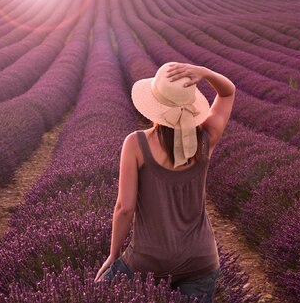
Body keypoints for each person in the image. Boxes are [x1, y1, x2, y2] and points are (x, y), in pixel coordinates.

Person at [94, 61, 236, 303]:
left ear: (155, 105)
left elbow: (124, 208)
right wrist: (206, 73)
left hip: (148, 259)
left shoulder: (135, 144)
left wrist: (113, 254)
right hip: (200, 259)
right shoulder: (206, 137)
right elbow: (228, 91)